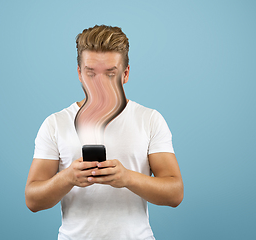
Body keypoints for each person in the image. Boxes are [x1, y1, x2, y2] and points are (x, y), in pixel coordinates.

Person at [25, 25, 184, 240]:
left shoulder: (150, 119)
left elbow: (175, 193)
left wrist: (127, 177)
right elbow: (33, 200)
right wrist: (68, 178)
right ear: (80, 74)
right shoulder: (55, 123)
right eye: (91, 74)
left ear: (125, 74)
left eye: (110, 74)